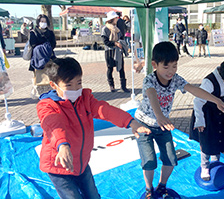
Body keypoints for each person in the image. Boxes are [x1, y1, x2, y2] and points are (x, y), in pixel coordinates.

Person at [37, 57, 151, 199]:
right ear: (54, 85)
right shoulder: (47, 105)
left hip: (82, 163)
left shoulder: (85, 99)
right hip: (60, 166)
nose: (75, 89)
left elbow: (105, 110)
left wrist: (130, 122)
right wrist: (62, 145)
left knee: (93, 195)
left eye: (79, 83)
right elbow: (54, 124)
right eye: (69, 85)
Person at [134, 41, 224, 199]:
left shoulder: (175, 79)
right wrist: (159, 116)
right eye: (166, 67)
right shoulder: (149, 80)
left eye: (174, 66)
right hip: (143, 125)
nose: (171, 71)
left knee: (171, 159)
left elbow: (193, 89)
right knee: (149, 161)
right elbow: (152, 96)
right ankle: (149, 190)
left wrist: (216, 100)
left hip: (162, 126)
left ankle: (161, 187)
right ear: (154, 64)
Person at [101, 11, 130, 93]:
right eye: (115, 18)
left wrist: (121, 43)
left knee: (121, 68)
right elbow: (105, 41)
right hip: (109, 52)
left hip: (118, 51)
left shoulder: (117, 29)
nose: (117, 19)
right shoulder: (105, 29)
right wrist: (115, 43)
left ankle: (123, 86)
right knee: (110, 69)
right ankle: (112, 86)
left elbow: (121, 37)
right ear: (112, 19)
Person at [29, 14, 56, 98]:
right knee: (39, 77)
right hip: (38, 59)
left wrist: (47, 48)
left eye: (45, 21)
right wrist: (44, 47)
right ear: (38, 22)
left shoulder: (50, 33)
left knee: (50, 77)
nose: (43, 23)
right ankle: (40, 94)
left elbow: (53, 44)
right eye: (41, 21)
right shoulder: (33, 32)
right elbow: (33, 44)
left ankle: (50, 94)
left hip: (49, 58)